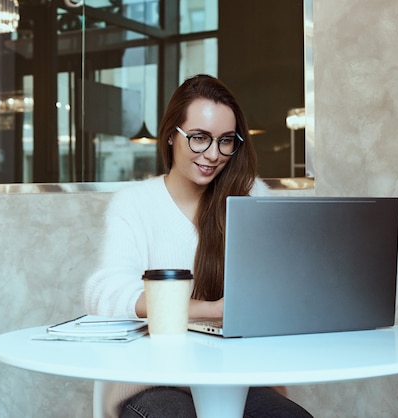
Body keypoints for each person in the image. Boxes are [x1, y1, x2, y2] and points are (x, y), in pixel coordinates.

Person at [84, 74, 313, 418]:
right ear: (171, 135)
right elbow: (104, 292)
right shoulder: (135, 204)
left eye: (225, 141)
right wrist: (210, 310)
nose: (213, 155)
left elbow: (281, 282)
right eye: (199, 138)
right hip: (152, 380)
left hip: (236, 379)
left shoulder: (250, 196)